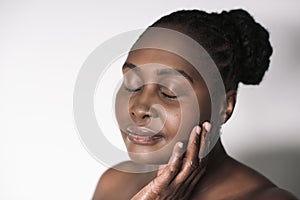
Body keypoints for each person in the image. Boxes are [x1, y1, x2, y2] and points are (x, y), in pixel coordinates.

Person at [93, 9, 298, 199]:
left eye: (168, 92)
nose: (138, 109)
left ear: (224, 107)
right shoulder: (113, 183)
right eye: (132, 84)